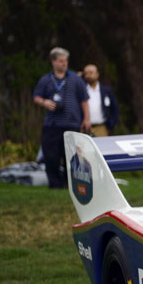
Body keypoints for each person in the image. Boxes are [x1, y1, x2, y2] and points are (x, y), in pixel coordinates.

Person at [32, 47, 90, 189]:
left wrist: (86, 119)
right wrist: (44, 102)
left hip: (72, 123)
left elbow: (84, 100)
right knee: (51, 156)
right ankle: (55, 184)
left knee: (71, 156)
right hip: (52, 125)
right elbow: (36, 97)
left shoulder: (76, 80)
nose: (64, 63)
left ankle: (70, 184)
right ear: (53, 62)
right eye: (61, 61)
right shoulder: (46, 80)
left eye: (66, 61)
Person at [81, 64, 118, 136]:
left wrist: (110, 126)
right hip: (84, 128)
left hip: (101, 128)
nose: (88, 75)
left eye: (91, 73)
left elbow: (115, 109)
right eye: (86, 73)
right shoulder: (82, 90)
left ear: (97, 74)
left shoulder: (106, 91)